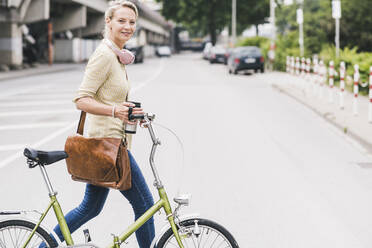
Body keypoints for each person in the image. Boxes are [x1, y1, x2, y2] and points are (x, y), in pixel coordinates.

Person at [51, 1, 155, 247]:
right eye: (121, 20)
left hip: (111, 144)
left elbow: (111, 98)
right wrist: (114, 110)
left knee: (90, 208)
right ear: (108, 21)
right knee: (146, 206)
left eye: (131, 22)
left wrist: (131, 113)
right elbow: (81, 99)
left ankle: (45, 245)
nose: (127, 26)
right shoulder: (105, 56)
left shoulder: (117, 56)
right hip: (107, 146)